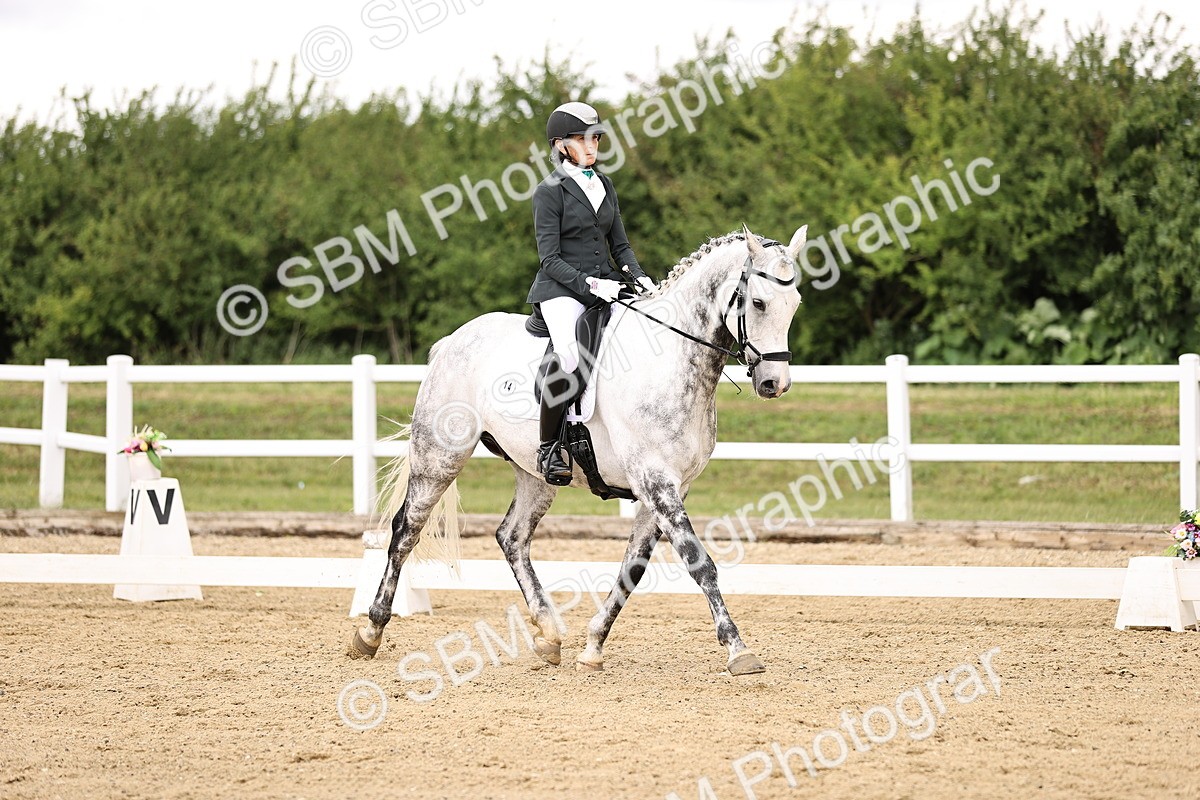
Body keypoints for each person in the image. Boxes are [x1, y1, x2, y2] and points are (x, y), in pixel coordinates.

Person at [528, 101, 655, 485]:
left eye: (595, 137)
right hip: (561, 289)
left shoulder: (605, 185)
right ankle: (550, 447)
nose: (591, 145)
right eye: (581, 138)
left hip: (608, 285)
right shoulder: (548, 192)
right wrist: (591, 285)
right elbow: (549, 258)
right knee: (568, 356)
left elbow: (621, 245)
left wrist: (641, 278)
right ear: (560, 145)